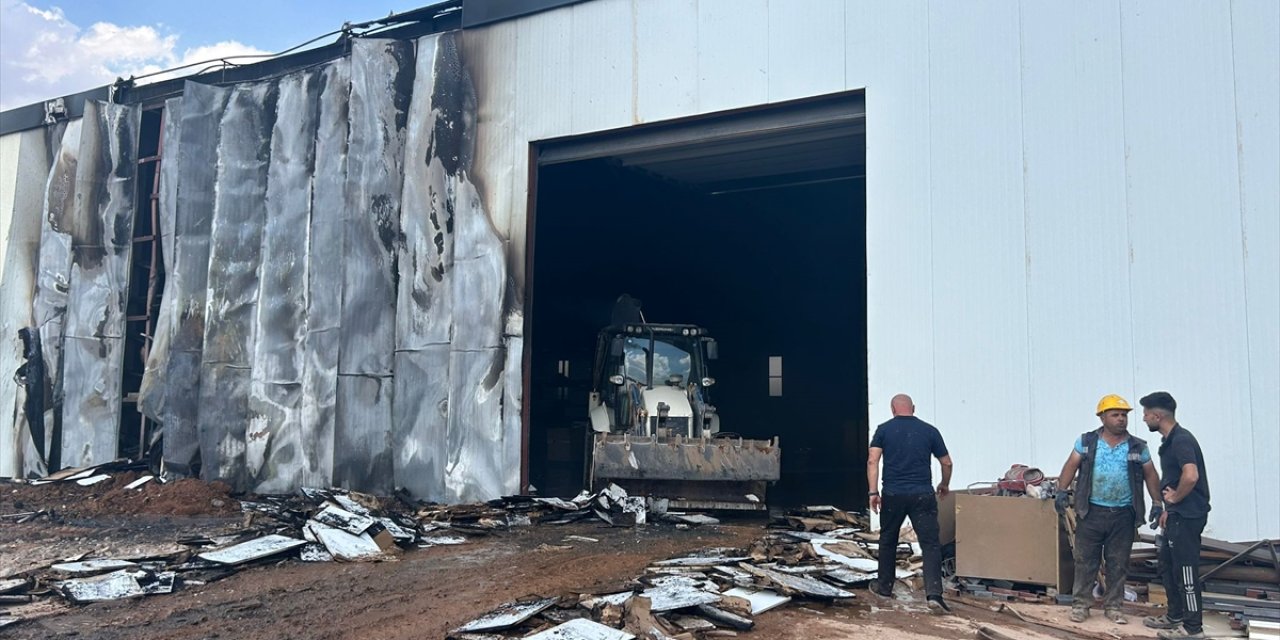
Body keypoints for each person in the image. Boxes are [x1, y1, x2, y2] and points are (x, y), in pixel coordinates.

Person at [1055, 394, 1162, 624]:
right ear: (1102, 417)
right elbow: (1070, 465)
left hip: (1123, 514)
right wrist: (1061, 491)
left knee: (1118, 563)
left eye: (1124, 415)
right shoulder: (1086, 442)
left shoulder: (1137, 446)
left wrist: (1157, 502)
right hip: (1091, 512)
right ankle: (1081, 606)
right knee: (1085, 562)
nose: (1121, 419)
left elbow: (1150, 474)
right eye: (1115, 415)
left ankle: (1114, 607)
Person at [866, 394, 953, 614]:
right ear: (913, 408)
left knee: (888, 540)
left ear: (892, 410)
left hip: (893, 494)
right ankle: (934, 595)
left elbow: (872, 460)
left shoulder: (884, 430)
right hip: (922, 495)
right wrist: (944, 484)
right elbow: (947, 462)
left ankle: (884, 588)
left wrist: (873, 492)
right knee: (931, 544)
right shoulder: (929, 431)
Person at [1140, 392, 1211, 640]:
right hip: (1176, 516)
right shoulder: (1170, 441)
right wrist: (1168, 509)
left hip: (1188, 516)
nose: (1144, 418)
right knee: (1168, 567)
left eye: (1146, 414)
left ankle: (1193, 630)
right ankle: (1175, 616)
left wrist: (1175, 499)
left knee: (1186, 572)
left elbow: (1191, 476)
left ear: (1157, 416)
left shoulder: (1181, 440)